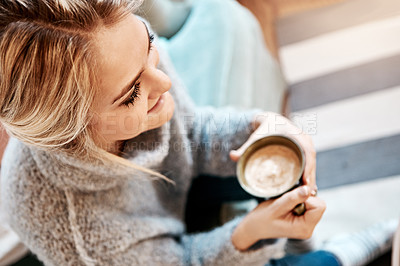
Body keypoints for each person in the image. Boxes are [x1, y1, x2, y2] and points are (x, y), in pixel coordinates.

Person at [0, 1, 396, 265]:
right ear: (74, 134)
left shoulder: (128, 58)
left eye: (150, 44)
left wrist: (259, 126)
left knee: (277, 158)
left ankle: (300, 241)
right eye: (133, 92)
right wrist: (246, 234)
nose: (164, 82)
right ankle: (336, 253)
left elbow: (192, 133)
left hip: (173, 191)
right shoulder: (79, 233)